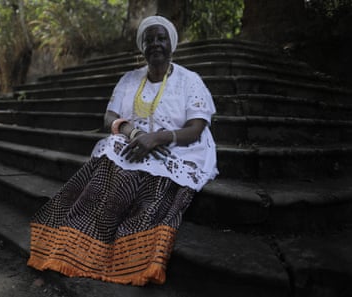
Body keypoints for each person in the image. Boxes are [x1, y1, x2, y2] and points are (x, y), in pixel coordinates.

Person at [27, 15, 218, 286]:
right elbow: (109, 118)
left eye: (161, 38)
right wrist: (135, 133)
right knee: (113, 146)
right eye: (149, 39)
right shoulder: (129, 79)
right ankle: (84, 237)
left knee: (152, 170)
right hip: (136, 141)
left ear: (171, 44)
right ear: (142, 47)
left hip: (179, 145)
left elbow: (196, 128)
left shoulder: (190, 80)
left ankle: (129, 250)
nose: (155, 44)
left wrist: (156, 139)